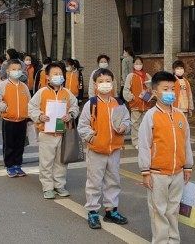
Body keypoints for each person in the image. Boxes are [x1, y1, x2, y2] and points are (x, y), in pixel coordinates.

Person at [138, 71, 193, 244]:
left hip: (177, 172)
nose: (170, 92)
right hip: (157, 173)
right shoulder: (151, 116)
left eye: (172, 88)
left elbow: (186, 142)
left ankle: (174, 240)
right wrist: (145, 171)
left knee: (173, 210)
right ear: (155, 92)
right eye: (165, 89)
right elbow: (144, 144)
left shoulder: (179, 115)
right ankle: (161, 241)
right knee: (158, 211)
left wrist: (188, 166)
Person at [78, 68, 131, 229]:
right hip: (96, 151)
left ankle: (111, 210)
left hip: (114, 149)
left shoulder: (119, 103)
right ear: (95, 85)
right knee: (94, 182)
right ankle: (93, 211)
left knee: (113, 181)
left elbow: (127, 120)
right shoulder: (91, 104)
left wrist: (124, 127)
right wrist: (92, 138)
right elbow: (83, 126)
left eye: (108, 81)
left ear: (113, 83)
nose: (105, 84)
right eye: (101, 82)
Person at [28, 62, 79, 199]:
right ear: (48, 77)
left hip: (62, 132)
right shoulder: (42, 92)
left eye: (60, 74)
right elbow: (31, 107)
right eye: (55, 74)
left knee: (61, 161)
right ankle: (48, 187)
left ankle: (59, 185)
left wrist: (71, 115)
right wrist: (39, 116)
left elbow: (75, 107)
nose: (58, 76)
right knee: (46, 161)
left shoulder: (67, 93)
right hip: (46, 133)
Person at [0, 59, 31, 177]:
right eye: (14, 69)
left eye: (19, 69)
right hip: (9, 120)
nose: (17, 71)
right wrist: (5, 108)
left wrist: (29, 116)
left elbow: (30, 102)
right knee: (9, 144)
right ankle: (9, 166)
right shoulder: (3, 85)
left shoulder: (24, 86)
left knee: (20, 145)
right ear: (8, 71)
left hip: (22, 120)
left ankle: (17, 165)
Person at [123, 56, 152, 148]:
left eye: (140, 63)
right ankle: (135, 142)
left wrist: (149, 91)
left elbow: (152, 88)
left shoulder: (147, 75)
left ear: (142, 64)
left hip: (146, 103)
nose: (138, 65)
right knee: (135, 124)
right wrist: (132, 98)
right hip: (135, 103)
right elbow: (126, 89)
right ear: (133, 64)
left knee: (145, 124)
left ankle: (144, 141)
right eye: (136, 63)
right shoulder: (131, 76)